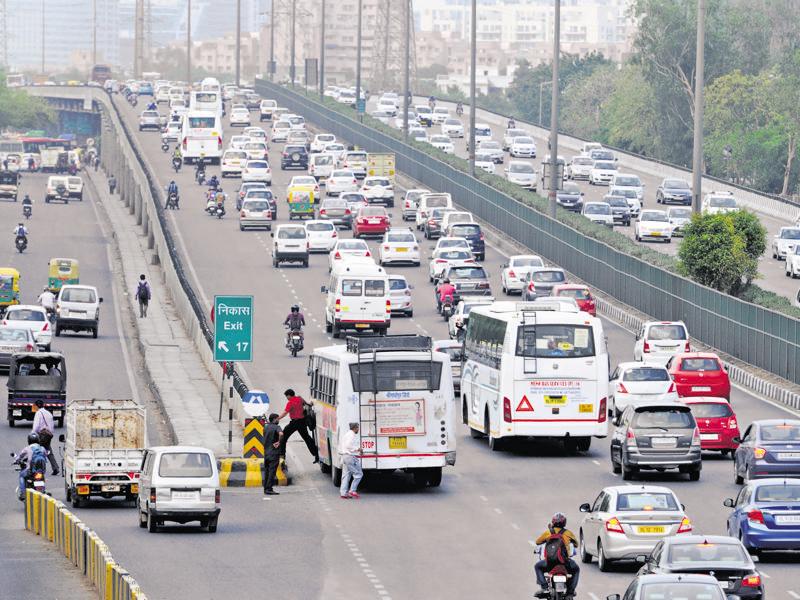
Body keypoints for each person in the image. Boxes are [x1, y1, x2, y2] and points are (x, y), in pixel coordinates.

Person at [534, 512, 579, 598]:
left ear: (553, 522)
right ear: (564, 523)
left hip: (549, 563)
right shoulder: (568, 533)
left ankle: (544, 587)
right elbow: (576, 544)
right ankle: (570, 591)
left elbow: (538, 542)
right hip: (564, 563)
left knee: (537, 566)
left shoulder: (548, 532)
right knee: (576, 569)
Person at [277, 389, 319, 463]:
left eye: (287, 396)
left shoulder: (290, 403)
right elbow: (308, 404)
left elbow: (285, 413)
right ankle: (317, 454)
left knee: (283, 437)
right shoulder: (300, 398)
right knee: (307, 438)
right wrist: (311, 403)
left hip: (294, 423)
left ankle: (282, 456)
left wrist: (277, 419)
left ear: (289, 395)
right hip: (302, 422)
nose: (286, 398)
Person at [13, 433, 48, 500]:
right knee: (42, 477)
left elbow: (20, 457)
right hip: (41, 471)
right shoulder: (42, 448)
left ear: (29, 440)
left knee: (21, 475)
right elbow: (46, 455)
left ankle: (23, 493)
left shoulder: (27, 448)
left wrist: (17, 460)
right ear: (38, 440)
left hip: (31, 470)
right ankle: (44, 491)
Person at [32, 399, 59, 475]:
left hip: (42, 435)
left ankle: (37, 468)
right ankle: (55, 468)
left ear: (37, 406)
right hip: (49, 435)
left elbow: (36, 426)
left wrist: (32, 434)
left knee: (36, 451)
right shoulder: (48, 413)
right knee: (49, 451)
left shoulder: (38, 413)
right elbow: (52, 426)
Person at [338, 422, 362, 500]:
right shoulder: (351, 434)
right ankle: (352, 490)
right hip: (349, 457)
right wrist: (357, 449)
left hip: (344, 456)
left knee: (346, 476)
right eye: (358, 428)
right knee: (358, 474)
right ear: (355, 428)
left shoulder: (347, 434)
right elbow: (348, 445)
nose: (358, 429)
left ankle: (343, 493)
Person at [263, 413, 283, 495]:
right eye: (277, 419)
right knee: (272, 471)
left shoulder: (266, 427)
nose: (278, 420)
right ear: (274, 419)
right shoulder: (277, 427)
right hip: (274, 453)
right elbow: (281, 434)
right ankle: (269, 489)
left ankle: (265, 488)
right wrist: (279, 442)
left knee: (267, 471)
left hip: (266, 453)